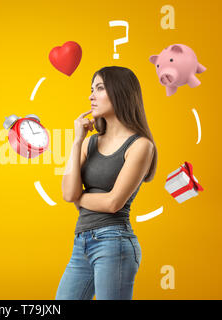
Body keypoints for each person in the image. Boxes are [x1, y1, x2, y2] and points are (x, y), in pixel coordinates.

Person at [56, 66, 158, 300]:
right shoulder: (88, 143)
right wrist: (77, 141)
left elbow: (113, 203)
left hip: (114, 243)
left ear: (120, 92)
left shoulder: (140, 146)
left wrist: (80, 198)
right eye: (91, 89)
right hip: (81, 242)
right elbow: (67, 192)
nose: (91, 96)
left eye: (99, 88)